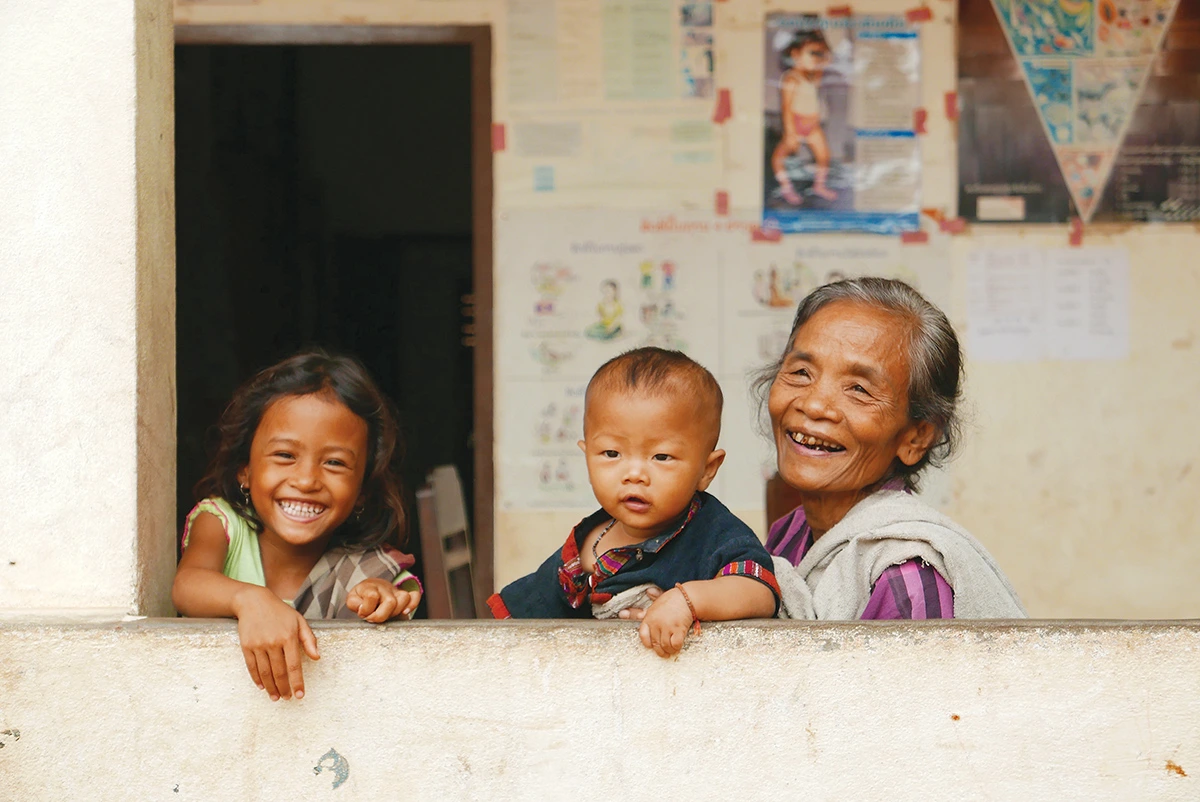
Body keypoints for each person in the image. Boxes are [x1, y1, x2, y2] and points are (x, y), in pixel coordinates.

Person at [759, 278, 1026, 619]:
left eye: (858, 388)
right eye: (800, 372)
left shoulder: (907, 576)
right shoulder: (791, 532)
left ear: (915, 438)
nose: (813, 405)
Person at [488, 347, 780, 657]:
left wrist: (686, 601)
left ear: (707, 470)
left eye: (661, 456)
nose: (635, 474)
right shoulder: (588, 544)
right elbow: (518, 622)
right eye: (612, 453)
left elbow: (759, 589)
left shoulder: (714, 533)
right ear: (586, 455)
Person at [172, 351, 423, 700]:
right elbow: (187, 584)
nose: (306, 481)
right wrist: (250, 601)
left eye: (334, 463)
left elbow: (393, 600)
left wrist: (380, 600)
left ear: (362, 489)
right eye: (285, 456)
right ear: (244, 468)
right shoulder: (221, 522)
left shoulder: (363, 568)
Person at [772, 29, 838, 206]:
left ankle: (819, 185)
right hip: (796, 123)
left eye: (819, 54)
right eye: (812, 53)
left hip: (813, 126)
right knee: (779, 158)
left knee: (824, 156)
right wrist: (791, 133)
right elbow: (786, 108)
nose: (817, 58)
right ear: (795, 55)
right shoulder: (791, 79)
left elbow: (827, 59)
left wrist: (822, 42)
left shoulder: (812, 76)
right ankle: (787, 189)